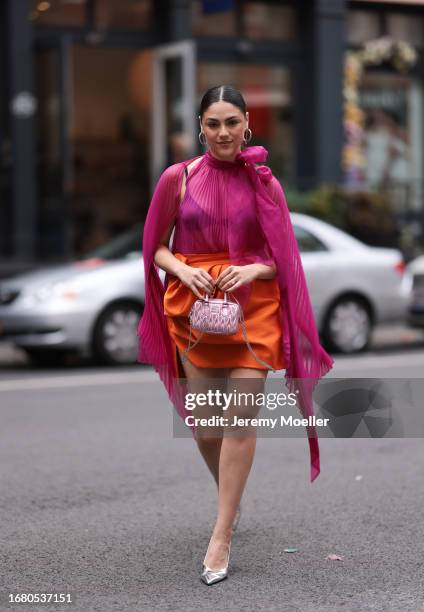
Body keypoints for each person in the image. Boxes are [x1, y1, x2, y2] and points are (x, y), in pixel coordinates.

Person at [137, 85, 334, 585]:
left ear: (247, 122)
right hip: (194, 309)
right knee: (206, 425)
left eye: (231, 122)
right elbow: (155, 248)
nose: (223, 132)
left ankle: (221, 533)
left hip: (254, 310)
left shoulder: (265, 183)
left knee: (241, 421)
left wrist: (252, 272)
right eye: (212, 123)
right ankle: (231, 496)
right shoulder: (176, 179)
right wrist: (182, 270)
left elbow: (283, 259)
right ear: (201, 128)